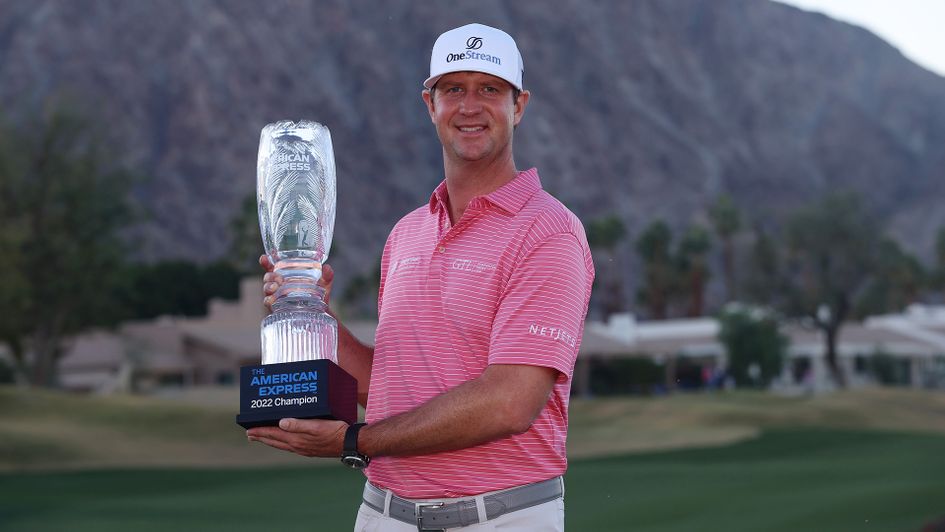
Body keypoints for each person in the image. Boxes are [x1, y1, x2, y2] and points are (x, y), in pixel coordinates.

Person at [248, 22, 595, 531]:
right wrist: (309, 310)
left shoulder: (549, 233)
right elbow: (391, 385)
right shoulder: (407, 234)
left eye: (489, 90)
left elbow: (511, 402)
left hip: (500, 516)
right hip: (384, 512)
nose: (470, 106)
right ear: (429, 105)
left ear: (518, 106)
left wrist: (353, 441)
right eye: (453, 89)